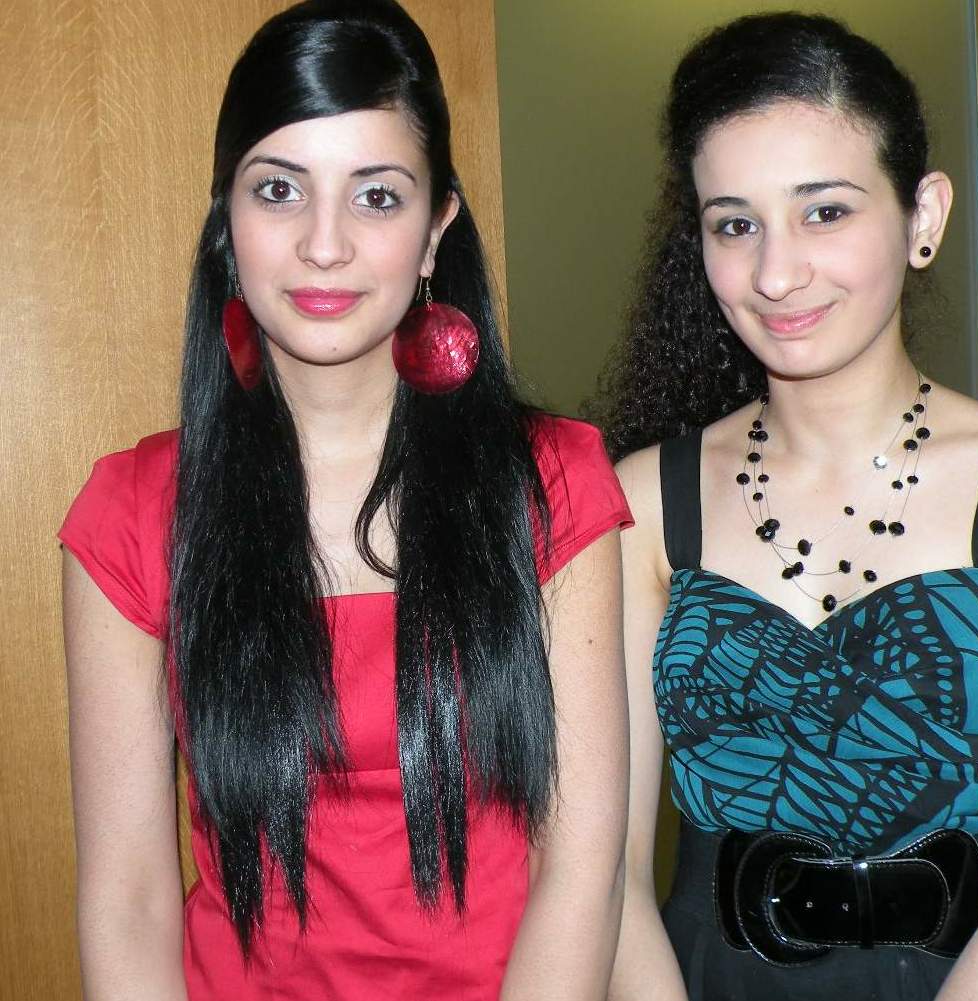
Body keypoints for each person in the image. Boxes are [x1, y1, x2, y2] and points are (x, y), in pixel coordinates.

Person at [59, 2, 631, 998]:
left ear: (435, 229)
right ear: (227, 220)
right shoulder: (132, 510)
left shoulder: (552, 482)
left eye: (375, 196)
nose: (323, 244)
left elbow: (580, 871)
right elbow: (129, 897)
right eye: (279, 190)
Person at [599, 12, 978, 1001]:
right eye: (735, 224)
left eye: (824, 211)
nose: (776, 272)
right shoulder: (642, 499)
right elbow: (605, 881)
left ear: (924, 215)